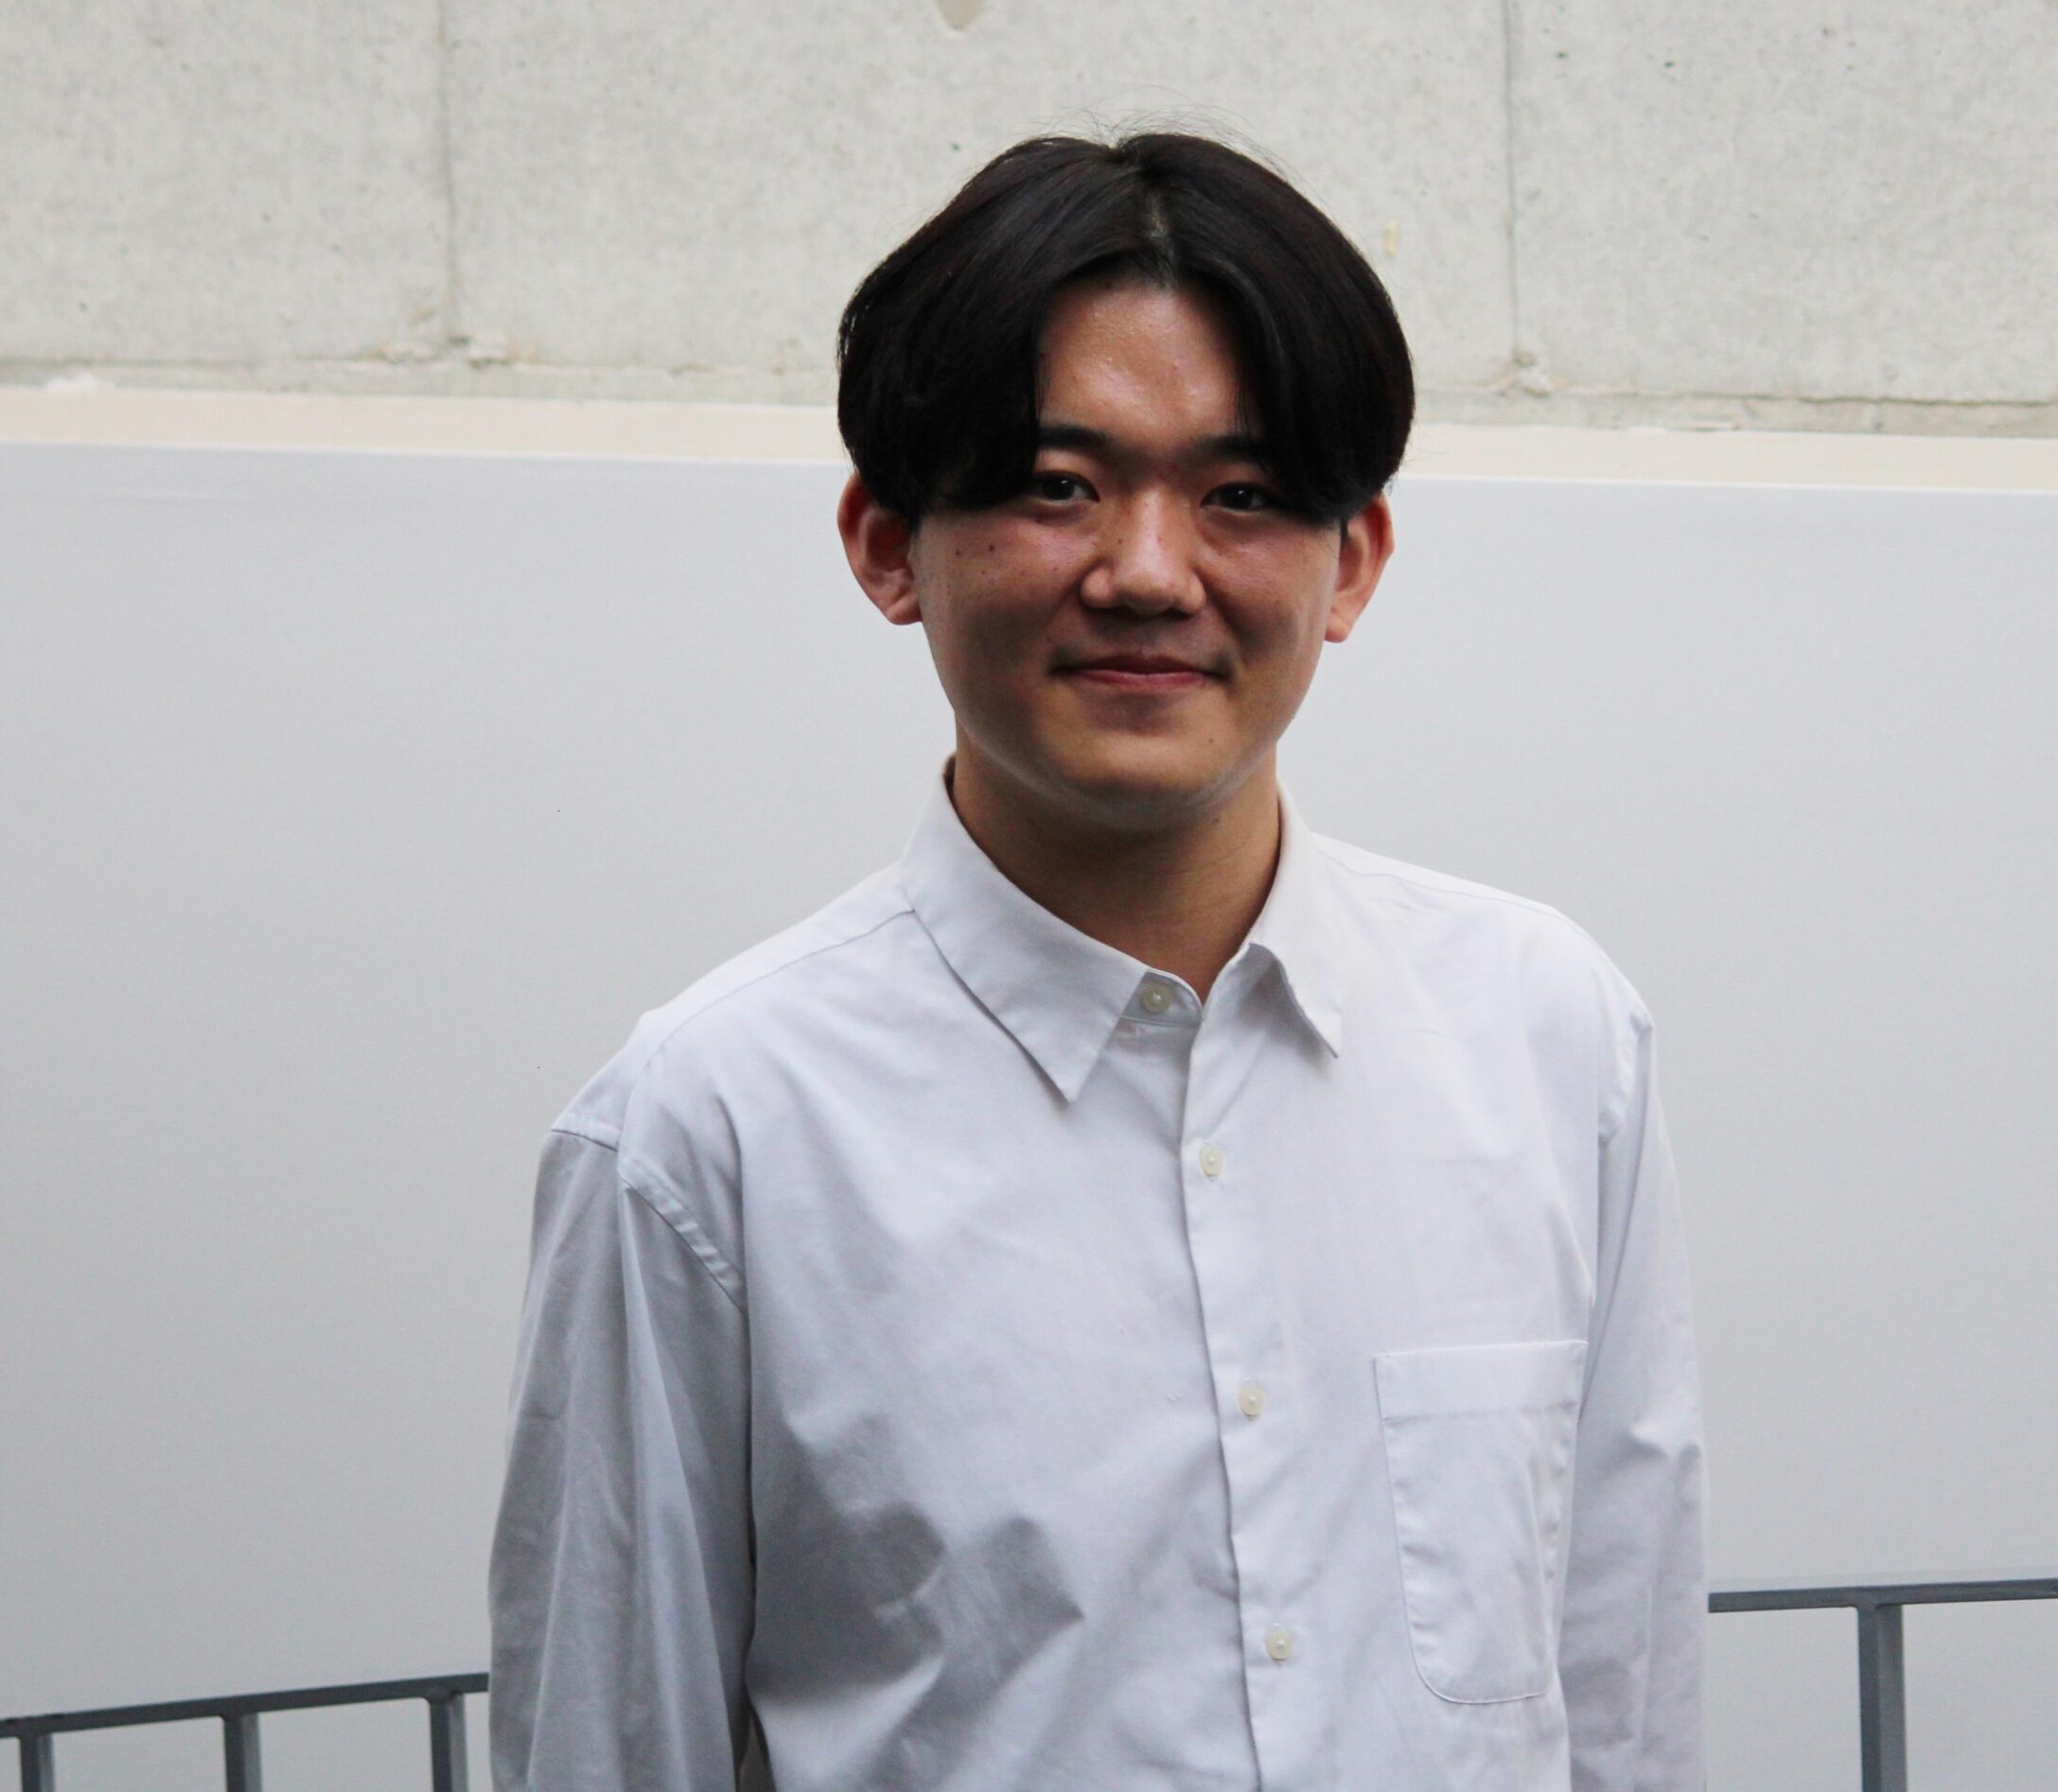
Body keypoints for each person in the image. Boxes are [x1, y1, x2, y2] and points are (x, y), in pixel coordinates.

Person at [488, 130, 1705, 1792]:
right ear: (885, 542)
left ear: (1352, 562)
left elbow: (1621, 1695)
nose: (1147, 571)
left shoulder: (1546, 1032)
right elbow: (609, 1747)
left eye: (1242, 496)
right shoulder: (710, 1128)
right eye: (1059, 485)